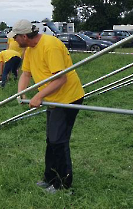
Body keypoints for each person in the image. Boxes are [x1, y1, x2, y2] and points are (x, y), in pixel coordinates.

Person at [8, 19, 84, 193]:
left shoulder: (50, 46)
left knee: (58, 141)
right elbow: (26, 74)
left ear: (25, 36)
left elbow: (61, 78)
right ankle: (49, 178)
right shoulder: (29, 50)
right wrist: (21, 93)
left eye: (16, 37)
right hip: (53, 98)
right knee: (51, 140)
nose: (14, 41)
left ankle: (62, 185)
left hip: (68, 98)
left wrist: (38, 96)